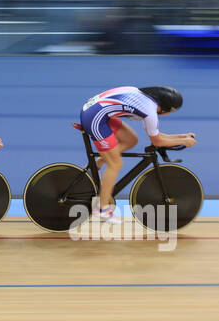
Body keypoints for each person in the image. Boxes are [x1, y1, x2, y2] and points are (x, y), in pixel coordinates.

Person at [78, 86, 195, 222]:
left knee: (131, 140)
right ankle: (102, 209)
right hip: (94, 118)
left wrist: (182, 137)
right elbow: (157, 141)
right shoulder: (149, 110)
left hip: (98, 112)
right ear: (165, 108)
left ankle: (95, 166)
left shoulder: (148, 101)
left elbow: (156, 136)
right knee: (115, 164)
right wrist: (183, 141)